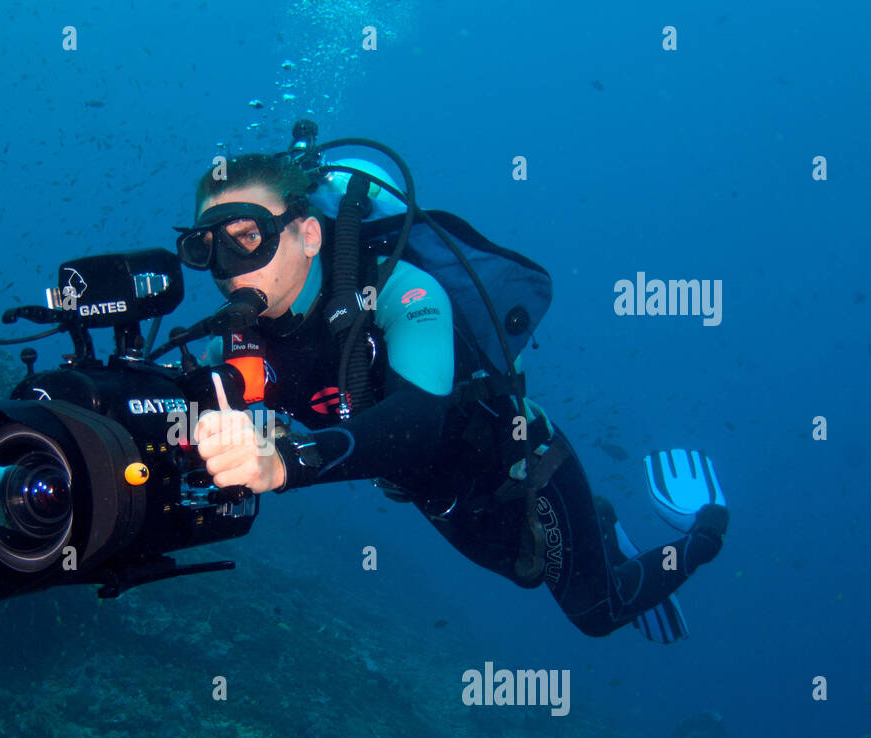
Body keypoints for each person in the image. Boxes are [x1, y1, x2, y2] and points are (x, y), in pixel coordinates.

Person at [177, 152, 729, 641]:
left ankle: (707, 528)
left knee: (597, 612)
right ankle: (601, 529)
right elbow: (190, 406)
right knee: (524, 572)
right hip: (437, 496)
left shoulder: (400, 289)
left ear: (309, 235)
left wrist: (283, 462)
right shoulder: (241, 343)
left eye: (247, 237)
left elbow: (417, 423)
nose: (229, 271)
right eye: (206, 250)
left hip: (524, 469)